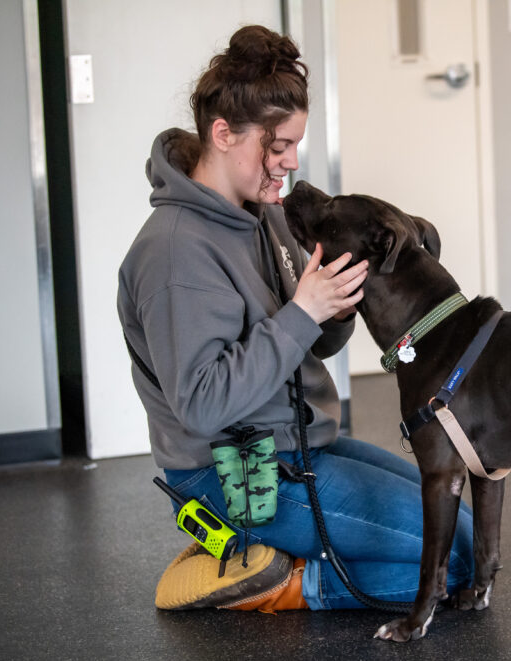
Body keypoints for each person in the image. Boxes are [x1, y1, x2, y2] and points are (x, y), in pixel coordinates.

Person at [117, 25, 473, 612]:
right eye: (276, 145)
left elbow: (315, 342)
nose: (289, 163)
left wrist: (338, 302)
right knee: (455, 563)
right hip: (232, 474)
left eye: (294, 145)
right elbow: (203, 404)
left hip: (302, 440)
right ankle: (286, 584)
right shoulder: (175, 252)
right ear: (224, 133)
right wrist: (303, 311)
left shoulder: (265, 210)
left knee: (460, 521)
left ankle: (297, 552)